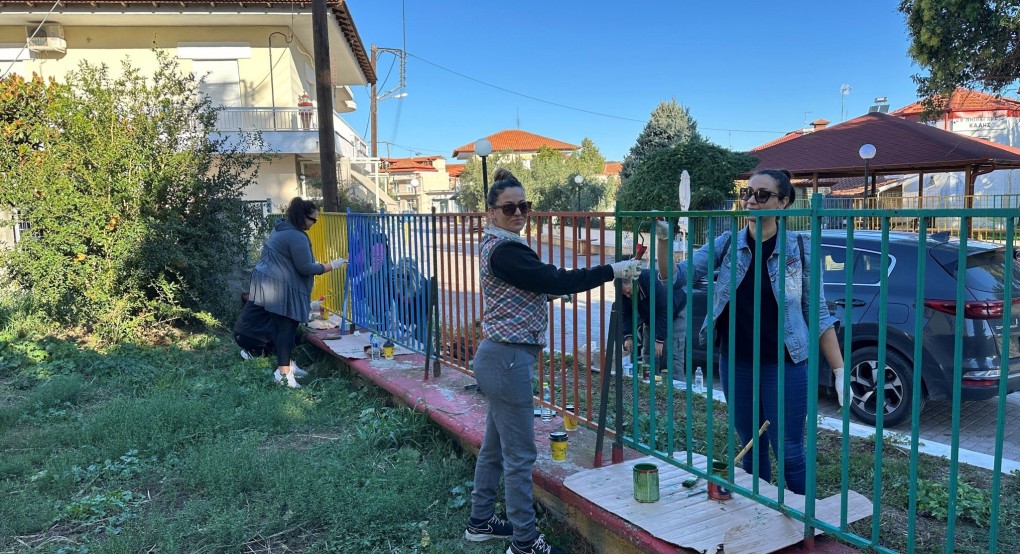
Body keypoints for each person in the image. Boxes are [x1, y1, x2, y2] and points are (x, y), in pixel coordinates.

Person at [465, 168, 640, 554]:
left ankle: (479, 521)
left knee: (496, 448)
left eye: (524, 206)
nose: (518, 213)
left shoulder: (495, 244)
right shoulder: (507, 250)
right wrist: (613, 269)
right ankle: (525, 542)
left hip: (499, 357)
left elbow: (530, 287)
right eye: (509, 207)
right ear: (491, 212)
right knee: (520, 455)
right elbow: (556, 279)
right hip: (508, 359)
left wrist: (544, 294)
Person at [654, 169, 844, 495]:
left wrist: (840, 371)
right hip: (737, 361)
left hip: (786, 364)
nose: (751, 201)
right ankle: (760, 517)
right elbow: (674, 275)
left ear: (784, 202)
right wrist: (661, 239)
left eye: (762, 194)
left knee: (790, 452)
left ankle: (805, 527)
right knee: (751, 448)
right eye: (747, 193)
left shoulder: (801, 248)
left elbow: (818, 312)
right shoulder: (728, 243)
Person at [235, 197, 346, 389]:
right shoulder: (296, 236)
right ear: (301, 217)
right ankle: (283, 373)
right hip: (278, 285)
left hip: (267, 280)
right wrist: (335, 264)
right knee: (286, 327)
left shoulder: (282, 228)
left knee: (284, 326)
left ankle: (288, 365)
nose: (314, 224)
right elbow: (305, 267)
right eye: (313, 219)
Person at [618, 268, 687, 375]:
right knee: (649, 352)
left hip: (674, 311)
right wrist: (628, 336)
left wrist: (659, 340)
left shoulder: (653, 281)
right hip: (650, 313)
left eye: (628, 292)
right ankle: (651, 385)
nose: (628, 296)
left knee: (673, 354)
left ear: (633, 281)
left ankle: (676, 388)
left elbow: (665, 310)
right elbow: (625, 313)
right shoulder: (624, 292)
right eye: (624, 295)